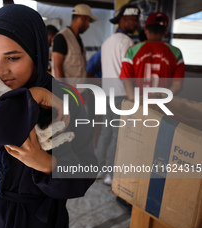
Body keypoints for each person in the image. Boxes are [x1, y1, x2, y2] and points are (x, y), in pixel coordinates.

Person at [0, 4, 98, 228]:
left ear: (37, 51)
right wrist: (30, 97)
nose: (0, 71)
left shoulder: (64, 100)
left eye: (13, 57)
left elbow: (85, 170)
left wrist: (47, 164)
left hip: (36, 226)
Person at [96, 4, 140, 185]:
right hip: (122, 94)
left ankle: (97, 169)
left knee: (106, 131)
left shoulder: (107, 42)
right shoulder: (127, 43)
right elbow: (128, 73)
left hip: (108, 93)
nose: (137, 23)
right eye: (134, 20)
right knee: (117, 134)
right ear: (124, 20)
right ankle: (111, 174)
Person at [120, 12, 185, 99]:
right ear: (165, 31)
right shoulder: (176, 53)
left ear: (146, 30)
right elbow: (177, 86)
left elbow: (127, 81)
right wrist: (160, 100)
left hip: (137, 105)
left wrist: (135, 104)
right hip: (163, 107)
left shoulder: (132, 51)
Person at [52, 4, 97, 79]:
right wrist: (62, 90)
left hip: (80, 89)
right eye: (88, 21)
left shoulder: (78, 39)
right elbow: (57, 68)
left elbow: (81, 70)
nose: (88, 26)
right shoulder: (61, 37)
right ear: (82, 18)